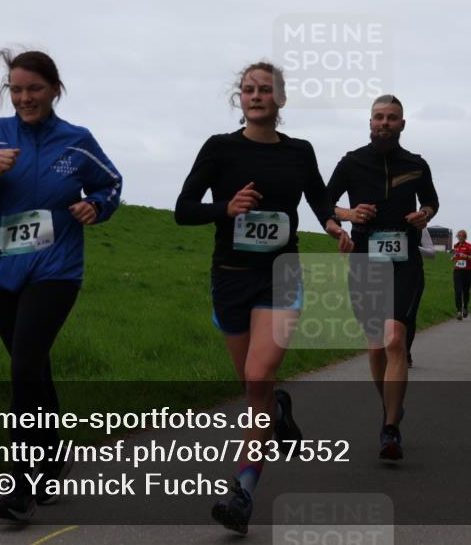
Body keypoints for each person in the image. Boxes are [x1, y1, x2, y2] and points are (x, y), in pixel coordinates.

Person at [174, 61, 352, 534]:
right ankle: (277, 409)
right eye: (248, 89)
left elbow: (317, 197)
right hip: (231, 278)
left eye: (265, 90)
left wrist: (332, 224)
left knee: (257, 377)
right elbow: (183, 209)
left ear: (281, 99)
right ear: (240, 98)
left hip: (280, 276)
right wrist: (225, 208)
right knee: (255, 389)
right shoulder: (220, 148)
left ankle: (243, 492)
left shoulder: (299, 151)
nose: (256, 96)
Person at [0, 49, 123, 522]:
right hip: (0, 273)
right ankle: (53, 453)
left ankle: (20, 485)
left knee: (24, 366)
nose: (24, 98)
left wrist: (96, 206)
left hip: (56, 270)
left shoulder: (76, 141)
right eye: (16, 89)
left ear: (55, 90)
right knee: (34, 369)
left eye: (34, 89)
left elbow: (110, 183)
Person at [327, 94, 439, 461]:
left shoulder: (416, 164)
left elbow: (432, 201)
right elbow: (324, 202)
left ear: (402, 124)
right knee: (375, 346)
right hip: (365, 259)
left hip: (404, 261)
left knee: (395, 339)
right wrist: (347, 215)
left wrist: (424, 214)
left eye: (392, 118)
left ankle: (391, 429)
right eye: (379, 117)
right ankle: (390, 407)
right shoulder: (352, 162)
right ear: (370, 122)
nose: (385, 123)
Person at [406, 227, 437, 367]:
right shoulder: (382, 222)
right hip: (385, 273)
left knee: (408, 316)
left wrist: (412, 247)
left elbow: (431, 253)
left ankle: (405, 352)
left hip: (413, 274)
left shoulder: (419, 225)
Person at [451, 230, 471, 320]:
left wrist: (467, 257)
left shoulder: (469, 246)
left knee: (466, 291)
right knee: (458, 291)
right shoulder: (456, 246)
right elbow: (456, 255)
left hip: (468, 272)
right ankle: (459, 311)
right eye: (459, 235)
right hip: (457, 271)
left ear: (465, 237)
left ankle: (465, 307)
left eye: (462, 236)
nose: (460, 237)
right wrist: (453, 258)